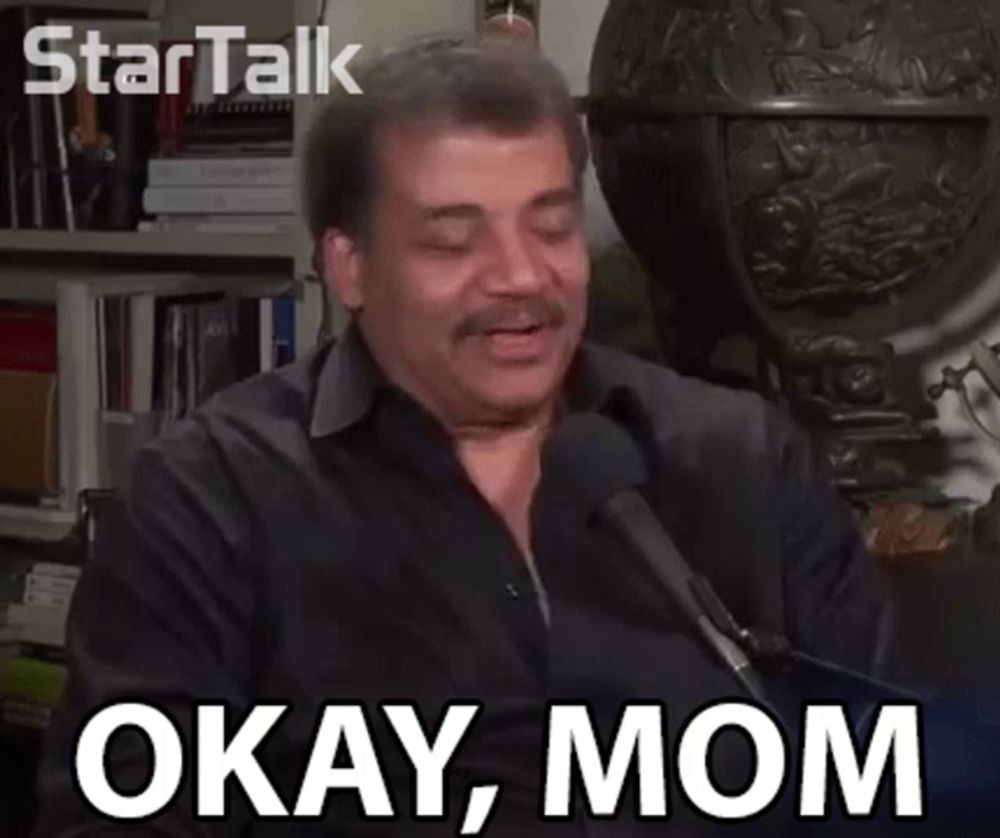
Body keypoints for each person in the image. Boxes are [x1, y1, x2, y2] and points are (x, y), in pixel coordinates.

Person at [33, 35, 893, 836]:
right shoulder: (206, 499)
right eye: (453, 241)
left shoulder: (745, 460)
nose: (520, 276)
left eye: (551, 227)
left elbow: (890, 775)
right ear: (350, 267)